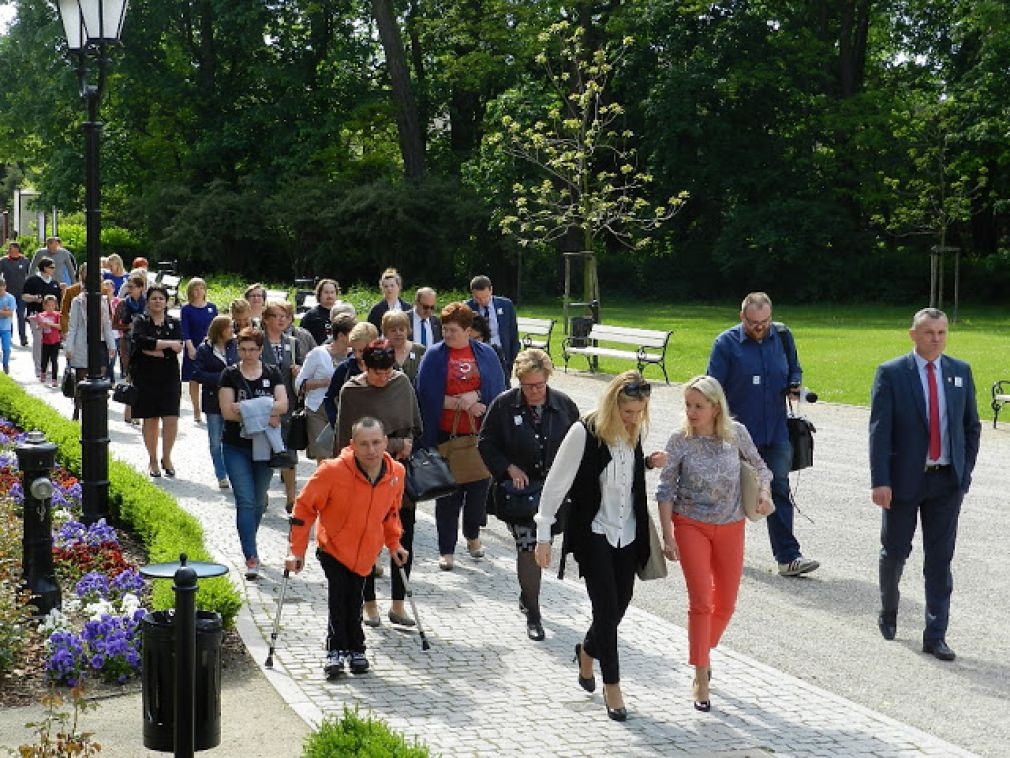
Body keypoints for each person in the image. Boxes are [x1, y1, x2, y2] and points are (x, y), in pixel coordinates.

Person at [533, 370, 666, 721]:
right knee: (605, 609)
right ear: (612, 405)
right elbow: (556, 485)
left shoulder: (634, 433)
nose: (634, 418)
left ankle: (587, 652)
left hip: (628, 532)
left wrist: (647, 464)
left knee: (620, 604)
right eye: (627, 412)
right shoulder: (584, 432)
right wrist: (543, 535)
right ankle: (614, 687)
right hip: (594, 532)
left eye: (639, 412)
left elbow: (625, 478)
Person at [869, 308, 981, 661]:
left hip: (946, 482)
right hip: (903, 481)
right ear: (913, 335)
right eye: (929, 332)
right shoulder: (891, 374)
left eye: (942, 332)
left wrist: (964, 474)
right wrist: (881, 481)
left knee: (939, 559)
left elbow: (971, 427)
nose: (936, 338)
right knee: (896, 552)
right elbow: (879, 431)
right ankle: (889, 609)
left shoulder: (959, 372)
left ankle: (936, 634)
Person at [656, 375, 773, 711]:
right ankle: (701, 675)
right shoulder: (679, 440)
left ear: (715, 407)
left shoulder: (736, 434)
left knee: (726, 605)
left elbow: (761, 468)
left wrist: (764, 493)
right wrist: (668, 536)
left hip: (731, 525)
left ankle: (701, 652)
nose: (691, 412)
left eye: (698, 406)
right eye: (688, 405)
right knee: (701, 602)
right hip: (690, 524)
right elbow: (665, 491)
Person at [285, 417, 408, 678]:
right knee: (340, 597)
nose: (371, 450)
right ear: (353, 444)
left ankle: (354, 649)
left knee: (354, 597)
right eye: (364, 444)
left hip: (367, 551)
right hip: (333, 547)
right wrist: (296, 550)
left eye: (376, 443)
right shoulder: (332, 471)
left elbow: (391, 513)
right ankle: (338, 650)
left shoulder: (396, 473)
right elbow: (304, 508)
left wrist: (394, 543)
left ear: (385, 442)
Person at [707, 291, 819, 577]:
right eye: (754, 322)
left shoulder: (782, 336)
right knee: (732, 493)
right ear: (741, 316)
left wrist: (795, 384)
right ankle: (720, 550)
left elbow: (794, 367)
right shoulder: (726, 344)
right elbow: (712, 391)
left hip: (776, 431)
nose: (760, 328)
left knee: (779, 488)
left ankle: (788, 557)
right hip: (739, 434)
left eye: (765, 321)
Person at [477, 349, 579, 641]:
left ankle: (527, 594)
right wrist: (508, 468)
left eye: (539, 385)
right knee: (529, 546)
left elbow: (580, 443)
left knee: (541, 547)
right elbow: (485, 443)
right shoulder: (504, 405)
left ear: (547, 379)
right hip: (519, 495)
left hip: (554, 493)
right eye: (527, 386)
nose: (533, 392)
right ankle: (534, 613)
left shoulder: (563, 405)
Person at [335, 340, 422, 628]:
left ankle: (398, 605)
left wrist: (403, 444)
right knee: (366, 543)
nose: (383, 378)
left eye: (387, 371)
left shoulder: (401, 383)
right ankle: (368, 603)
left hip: (397, 476)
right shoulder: (352, 391)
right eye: (376, 373)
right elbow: (344, 442)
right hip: (364, 477)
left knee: (402, 538)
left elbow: (414, 429)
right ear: (364, 366)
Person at [416, 302, 506, 570]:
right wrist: (462, 403)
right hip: (446, 434)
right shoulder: (434, 356)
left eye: (453, 330)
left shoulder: (486, 354)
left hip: (479, 435)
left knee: (478, 491)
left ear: (468, 330)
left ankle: (473, 535)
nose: (447, 335)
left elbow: (496, 389)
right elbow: (426, 396)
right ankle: (446, 549)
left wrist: (476, 397)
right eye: (444, 330)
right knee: (448, 495)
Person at [219, 327, 288, 579]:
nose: (247, 354)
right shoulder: (229, 374)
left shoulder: (271, 372)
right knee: (245, 500)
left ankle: (249, 538)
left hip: (264, 446)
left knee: (259, 501)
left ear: (261, 350)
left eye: (252, 349)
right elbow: (227, 411)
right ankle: (251, 556)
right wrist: (265, 411)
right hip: (235, 445)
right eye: (243, 349)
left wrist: (246, 409)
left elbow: (283, 405)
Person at [130, 284, 184, 478]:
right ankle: (153, 459)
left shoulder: (174, 323)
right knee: (150, 418)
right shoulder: (140, 320)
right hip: (145, 376)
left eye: (161, 298)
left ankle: (166, 456)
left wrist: (157, 347)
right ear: (148, 301)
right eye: (154, 298)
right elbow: (141, 343)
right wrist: (166, 346)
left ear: (166, 301)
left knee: (171, 418)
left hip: (169, 376)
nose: (157, 301)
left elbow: (178, 346)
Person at [260, 299, 306, 511]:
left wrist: (299, 371)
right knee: (263, 452)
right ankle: (262, 493)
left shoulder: (293, 342)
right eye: (277, 316)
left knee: (289, 453)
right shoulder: (258, 342)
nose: (282, 320)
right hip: (263, 404)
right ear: (266, 319)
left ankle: (291, 498)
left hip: (288, 405)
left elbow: (303, 371)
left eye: (285, 316)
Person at [295, 313, 355, 463]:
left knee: (343, 455)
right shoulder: (318, 354)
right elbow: (299, 384)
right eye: (353, 334)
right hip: (318, 410)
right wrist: (326, 382)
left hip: (344, 410)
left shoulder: (355, 355)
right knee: (324, 458)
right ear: (341, 335)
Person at [194, 315, 239, 489]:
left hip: (233, 400)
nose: (232, 331)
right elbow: (198, 374)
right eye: (229, 327)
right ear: (220, 330)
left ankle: (234, 472)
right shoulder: (205, 349)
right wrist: (223, 377)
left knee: (232, 439)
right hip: (212, 400)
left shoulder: (235, 347)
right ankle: (221, 474)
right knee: (215, 440)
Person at [64, 283, 117, 420]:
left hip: (100, 344)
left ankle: (95, 411)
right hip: (82, 344)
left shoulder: (103, 301)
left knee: (100, 379)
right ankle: (78, 407)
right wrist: (69, 347)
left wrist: (112, 345)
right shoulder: (77, 302)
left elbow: (106, 324)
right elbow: (73, 326)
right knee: (81, 380)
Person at [323, 321, 378, 427]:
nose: (357, 355)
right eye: (354, 350)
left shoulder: (385, 367)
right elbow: (329, 398)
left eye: (362, 351)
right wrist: (336, 423)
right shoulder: (344, 369)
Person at [180, 277, 219, 424]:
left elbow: (216, 326)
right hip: (193, 345)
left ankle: (211, 407)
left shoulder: (212, 307)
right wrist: (190, 347)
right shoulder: (186, 309)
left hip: (210, 345)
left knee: (210, 377)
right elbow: (185, 330)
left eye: (201, 288)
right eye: (195, 289)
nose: (199, 291)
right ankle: (196, 409)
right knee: (194, 378)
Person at [466, 274, 520, 380]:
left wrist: (513, 357)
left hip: (502, 354)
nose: (482, 301)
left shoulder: (506, 305)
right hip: (477, 355)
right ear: (472, 294)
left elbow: (513, 332)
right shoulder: (467, 307)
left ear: (491, 290)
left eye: (485, 297)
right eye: (477, 298)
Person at [112, 273, 147, 425]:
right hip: (127, 341)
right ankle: (130, 412)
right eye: (128, 287)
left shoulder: (147, 303)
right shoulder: (123, 304)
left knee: (143, 377)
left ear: (141, 288)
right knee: (131, 376)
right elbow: (114, 324)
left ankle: (137, 411)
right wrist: (128, 326)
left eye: (132, 287)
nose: (129, 290)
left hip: (144, 342)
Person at [23, 257, 63, 377]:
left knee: (50, 341)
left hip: (51, 317)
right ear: (44, 268)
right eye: (51, 267)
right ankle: (38, 367)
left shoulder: (54, 283)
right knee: (38, 340)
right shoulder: (32, 280)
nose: (53, 269)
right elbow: (24, 296)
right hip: (36, 315)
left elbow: (59, 301)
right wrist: (35, 298)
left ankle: (47, 366)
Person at [0, 242, 32, 346]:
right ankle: (9, 337)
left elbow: (30, 275)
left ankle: (23, 338)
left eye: (14, 249)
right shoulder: (3, 261)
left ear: (18, 250)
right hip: (8, 293)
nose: (11, 251)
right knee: (8, 315)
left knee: (21, 315)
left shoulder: (25, 261)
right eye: (10, 250)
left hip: (22, 292)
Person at [381, 310, 425, 383]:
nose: (398, 333)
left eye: (401, 329)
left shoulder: (420, 350)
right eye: (393, 330)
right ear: (386, 332)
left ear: (407, 330)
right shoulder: (381, 352)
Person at [32, 294, 62, 387]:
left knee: (54, 360)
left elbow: (60, 326)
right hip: (45, 341)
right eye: (48, 305)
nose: (50, 308)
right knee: (44, 359)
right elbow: (38, 327)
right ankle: (43, 372)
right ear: (44, 306)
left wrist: (50, 324)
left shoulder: (57, 315)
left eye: (53, 305)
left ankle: (54, 379)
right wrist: (40, 325)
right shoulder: (42, 315)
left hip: (55, 341)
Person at [299, 278, 340, 345]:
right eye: (326, 292)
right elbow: (302, 338)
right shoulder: (311, 316)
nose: (330, 296)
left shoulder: (342, 313)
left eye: (332, 292)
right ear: (319, 294)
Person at [0, 279, 14, 373]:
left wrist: (4, 312)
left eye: (2, 289)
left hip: (6, 328)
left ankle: (5, 365)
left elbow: (10, 313)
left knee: (6, 348)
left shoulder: (10, 298)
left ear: (5, 287)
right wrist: (4, 312)